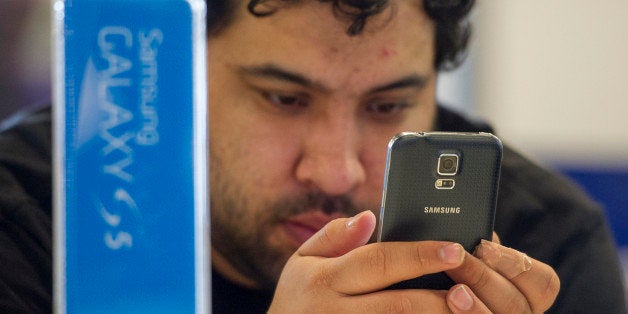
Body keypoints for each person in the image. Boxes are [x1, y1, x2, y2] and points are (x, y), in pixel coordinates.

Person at [0, 0, 626, 313]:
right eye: (284, 98)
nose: (336, 171)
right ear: (182, 68)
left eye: (388, 107)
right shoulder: (29, 218)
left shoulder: (546, 243)